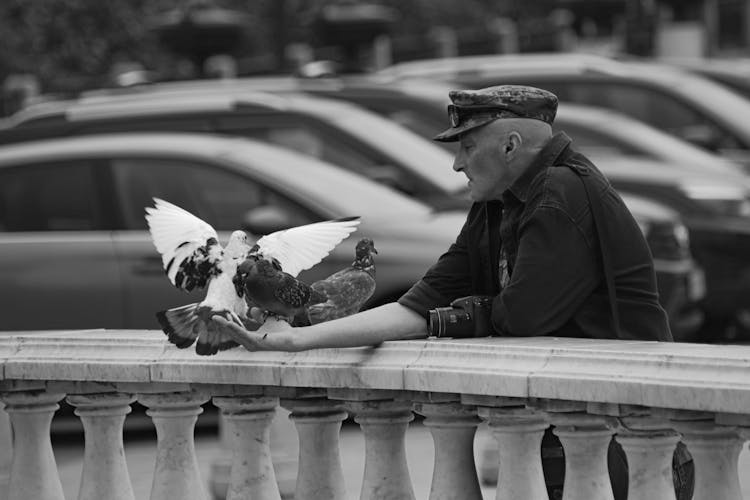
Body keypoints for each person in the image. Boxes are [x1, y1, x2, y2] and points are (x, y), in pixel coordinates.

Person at [212, 85, 691, 499]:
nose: (457, 163)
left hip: (627, 440)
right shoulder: (498, 200)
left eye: (467, 146)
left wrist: (458, 316)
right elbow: (420, 304)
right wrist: (294, 340)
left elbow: (520, 317)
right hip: (572, 434)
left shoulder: (560, 192)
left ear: (510, 145)